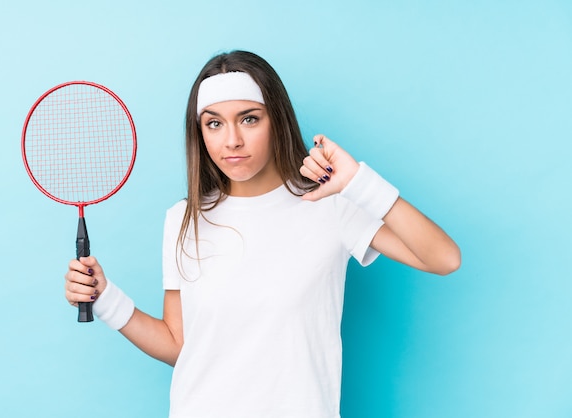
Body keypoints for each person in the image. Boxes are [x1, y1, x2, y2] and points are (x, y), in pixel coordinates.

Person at [64, 50, 460, 418]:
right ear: (199, 132)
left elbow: (444, 258)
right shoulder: (184, 219)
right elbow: (181, 345)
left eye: (249, 118)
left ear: (277, 121)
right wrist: (106, 298)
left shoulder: (332, 204)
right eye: (214, 123)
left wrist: (357, 181)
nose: (231, 140)